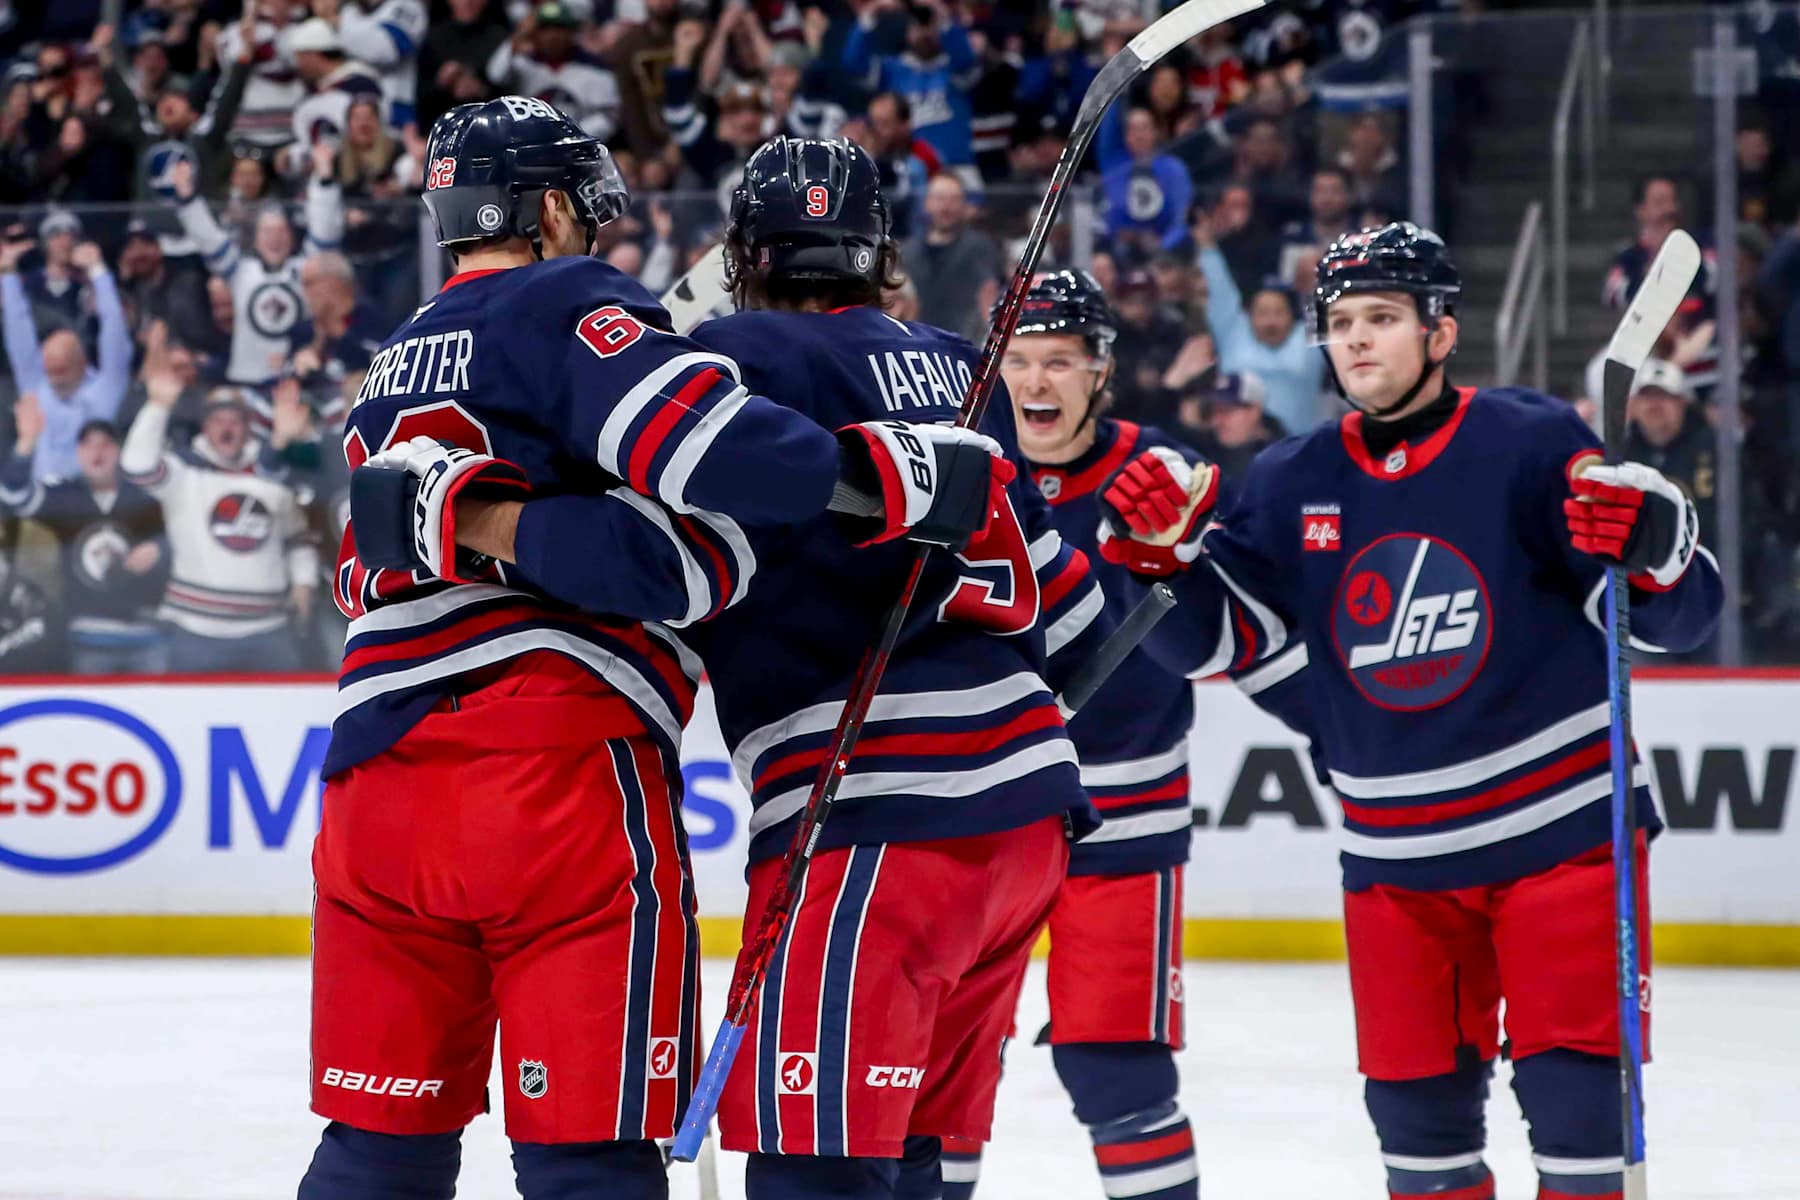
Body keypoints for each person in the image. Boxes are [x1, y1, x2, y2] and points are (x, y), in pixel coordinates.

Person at [300, 98, 1005, 1199]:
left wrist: (477, 527)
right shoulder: (567, 299)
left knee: (377, 1149)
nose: (598, 237)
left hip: (370, 789)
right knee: (592, 1159)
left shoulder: (389, 365)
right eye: (586, 213)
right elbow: (707, 506)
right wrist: (876, 479)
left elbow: (371, 561)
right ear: (548, 209)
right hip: (552, 769)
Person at [429, 136, 1104, 1200]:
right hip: (1030, 821)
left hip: (875, 812)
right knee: (908, 1157)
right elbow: (1078, 619)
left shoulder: (738, 356)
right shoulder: (968, 369)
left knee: (814, 1169)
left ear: (747, 254)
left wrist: (481, 519)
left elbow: (640, 523)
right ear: (880, 251)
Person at [1098, 222, 1724, 1200]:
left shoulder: (1527, 441)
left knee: (1579, 1122)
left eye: (1382, 317)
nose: (1356, 338)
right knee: (1419, 1141)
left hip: (1565, 843)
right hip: (1396, 868)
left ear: (1441, 331)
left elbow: (1669, 620)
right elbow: (1221, 644)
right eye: (1341, 320)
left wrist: (1658, 551)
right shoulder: (1293, 478)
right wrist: (1157, 563)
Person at [936, 268, 1200, 1200]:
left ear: (1101, 371)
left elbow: (1208, 622)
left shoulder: (1155, 470)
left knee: (1116, 1071)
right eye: (1016, 362)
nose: (1034, 383)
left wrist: (1183, 544)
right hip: (987, 807)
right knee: (944, 1077)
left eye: (1058, 361)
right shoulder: (957, 464)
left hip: (1125, 812)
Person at [121, 337, 317, 673]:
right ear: (205, 426)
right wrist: (158, 406)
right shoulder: (184, 472)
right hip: (196, 632)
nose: (226, 428)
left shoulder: (271, 473)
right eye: (217, 420)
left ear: (248, 427)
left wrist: (304, 583)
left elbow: (298, 538)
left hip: (269, 630)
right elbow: (136, 467)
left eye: (234, 421)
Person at [0, 403, 168, 674]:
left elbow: (181, 545)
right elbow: (14, 497)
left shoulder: (145, 499)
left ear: (119, 452)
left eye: (105, 445)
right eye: (88, 445)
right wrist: (26, 444)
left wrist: (161, 549)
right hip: (87, 637)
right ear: (78, 454)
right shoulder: (64, 498)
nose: (97, 452)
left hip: (146, 637)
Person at [169, 145, 344, 391]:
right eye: (267, 232)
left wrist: (324, 178)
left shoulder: (306, 269)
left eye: (280, 231)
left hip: (298, 381)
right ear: (257, 240)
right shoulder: (240, 271)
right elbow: (209, 239)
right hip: (247, 380)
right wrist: (187, 199)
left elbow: (326, 234)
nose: (274, 239)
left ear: (291, 236)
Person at [1, 236, 133, 484]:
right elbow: (18, 329)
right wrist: (7, 272)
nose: (54, 376)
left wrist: (98, 271)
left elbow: (114, 327)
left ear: (82, 363)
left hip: (91, 491)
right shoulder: (35, 384)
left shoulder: (108, 386)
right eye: (49, 368)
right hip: (42, 494)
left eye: (61, 368)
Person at [1194, 208, 1325, 434]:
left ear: (1292, 317)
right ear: (1249, 316)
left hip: (1299, 446)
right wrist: (1207, 247)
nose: (1270, 321)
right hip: (1238, 447)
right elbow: (1220, 291)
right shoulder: (1233, 333)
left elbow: (1327, 301)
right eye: (1262, 313)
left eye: (1278, 312)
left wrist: (1323, 271)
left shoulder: (1309, 340)